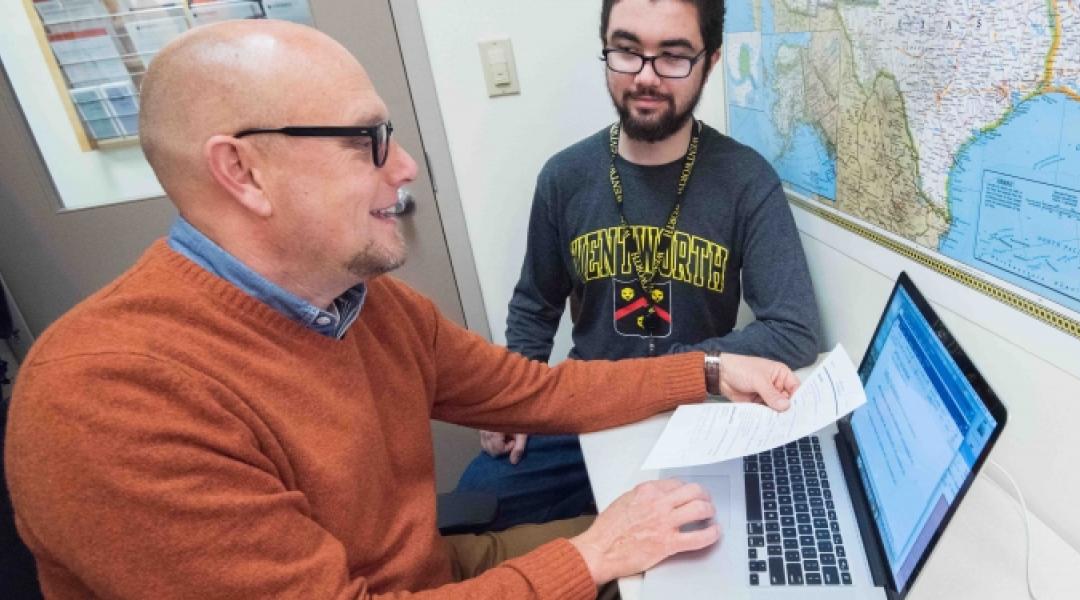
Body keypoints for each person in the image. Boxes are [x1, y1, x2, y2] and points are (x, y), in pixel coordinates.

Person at [2, 20, 802, 599]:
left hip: (441, 573)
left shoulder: (365, 306)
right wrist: (592, 558)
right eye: (365, 141)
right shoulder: (107, 400)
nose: (406, 167)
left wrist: (707, 368)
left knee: (715, 558)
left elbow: (541, 392)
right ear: (243, 172)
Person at [456, 0, 822, 531]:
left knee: (708, 549)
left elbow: (794, 329)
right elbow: (535, 305)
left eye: (673, 56)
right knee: (477, 503)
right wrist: (513, 401)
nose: (646, 77)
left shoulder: (746, 180)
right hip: (585, 403)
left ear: (711, 61)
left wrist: (692, 369)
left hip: (696, 410)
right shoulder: (564, 177)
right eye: (628, 51)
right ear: (605, 50)